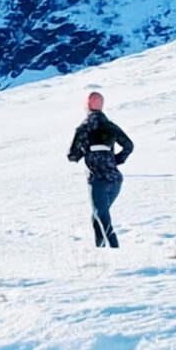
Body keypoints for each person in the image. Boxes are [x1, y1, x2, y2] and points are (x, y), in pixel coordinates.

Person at [67, 92, 134, 248]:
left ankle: (113, 252)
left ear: (87, 107)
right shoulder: (111, 126)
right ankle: (103, 251)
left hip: (97, 180)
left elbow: (72, 155)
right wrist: (115, 160)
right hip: (115, 179)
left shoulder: (83, 128)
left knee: (101, 217)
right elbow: (129, 146)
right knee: (98, 216)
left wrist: (85, 152)